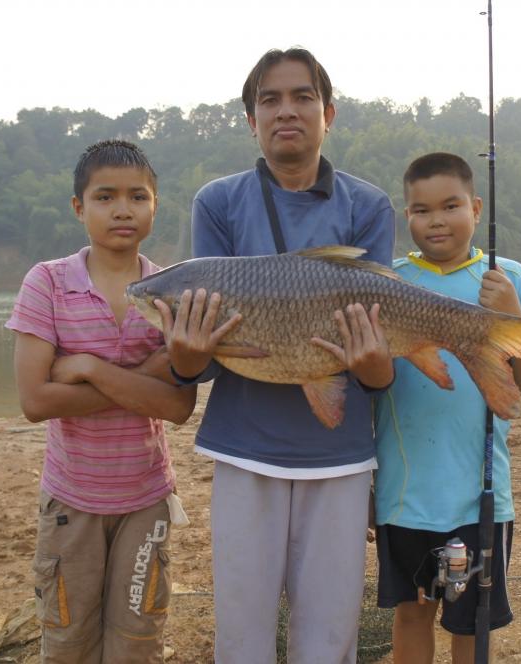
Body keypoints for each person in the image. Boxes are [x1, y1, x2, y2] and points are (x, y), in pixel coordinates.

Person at [155, 48, 396, 663]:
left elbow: (375, 359)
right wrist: (184, 358)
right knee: (242, 633)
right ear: (250, 119)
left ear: (328, 112)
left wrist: (375, 368)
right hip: (244, 447)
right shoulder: (219, 202)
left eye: (301, 97)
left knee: (330, 634)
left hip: (339, 456)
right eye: (269, 99)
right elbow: (202, 363)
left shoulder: (366, 207)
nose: (286, 110)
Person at [6, 139, 196, 663]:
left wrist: (89, 368)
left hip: (145, 497)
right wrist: (142, 379)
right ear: (78, 207)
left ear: (155, 206)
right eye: (105, 196)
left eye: (137, 197)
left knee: (137, 643)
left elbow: (179, 408)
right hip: (71, 501)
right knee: (68, 642)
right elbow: (37, 400)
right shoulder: (46, 282)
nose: (122, 209)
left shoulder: (172, 291)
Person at [372, 152, 521, 664]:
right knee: (410, 613)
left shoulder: (509, 279)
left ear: (476, 208)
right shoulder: (386, 281)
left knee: (471, 623)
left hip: (480, 496)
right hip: (403, 493)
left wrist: (512, 315)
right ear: (406, 216)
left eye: (450, 206)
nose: (435, 220)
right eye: (420, 210)